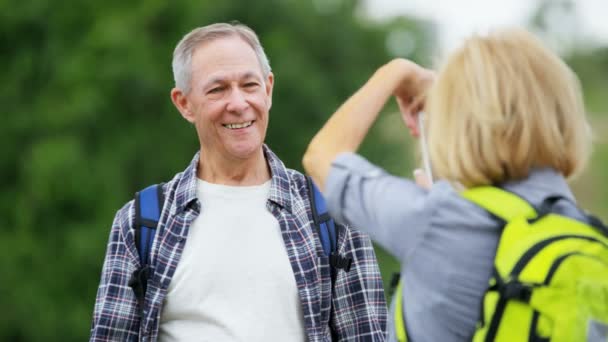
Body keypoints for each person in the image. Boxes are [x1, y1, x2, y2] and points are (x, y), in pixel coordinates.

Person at [90, 22, 387, 341]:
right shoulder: (142, 222)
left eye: (249, 85)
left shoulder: (331, 213)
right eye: (217, 89)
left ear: (268, 89)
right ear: (184, 103)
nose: (238, 103)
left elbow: (366, 335)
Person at [303, 29, 602, 341]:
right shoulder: (586, 234)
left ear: (460, 121)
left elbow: (322, 155)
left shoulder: (433, 220)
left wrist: (395, 72)